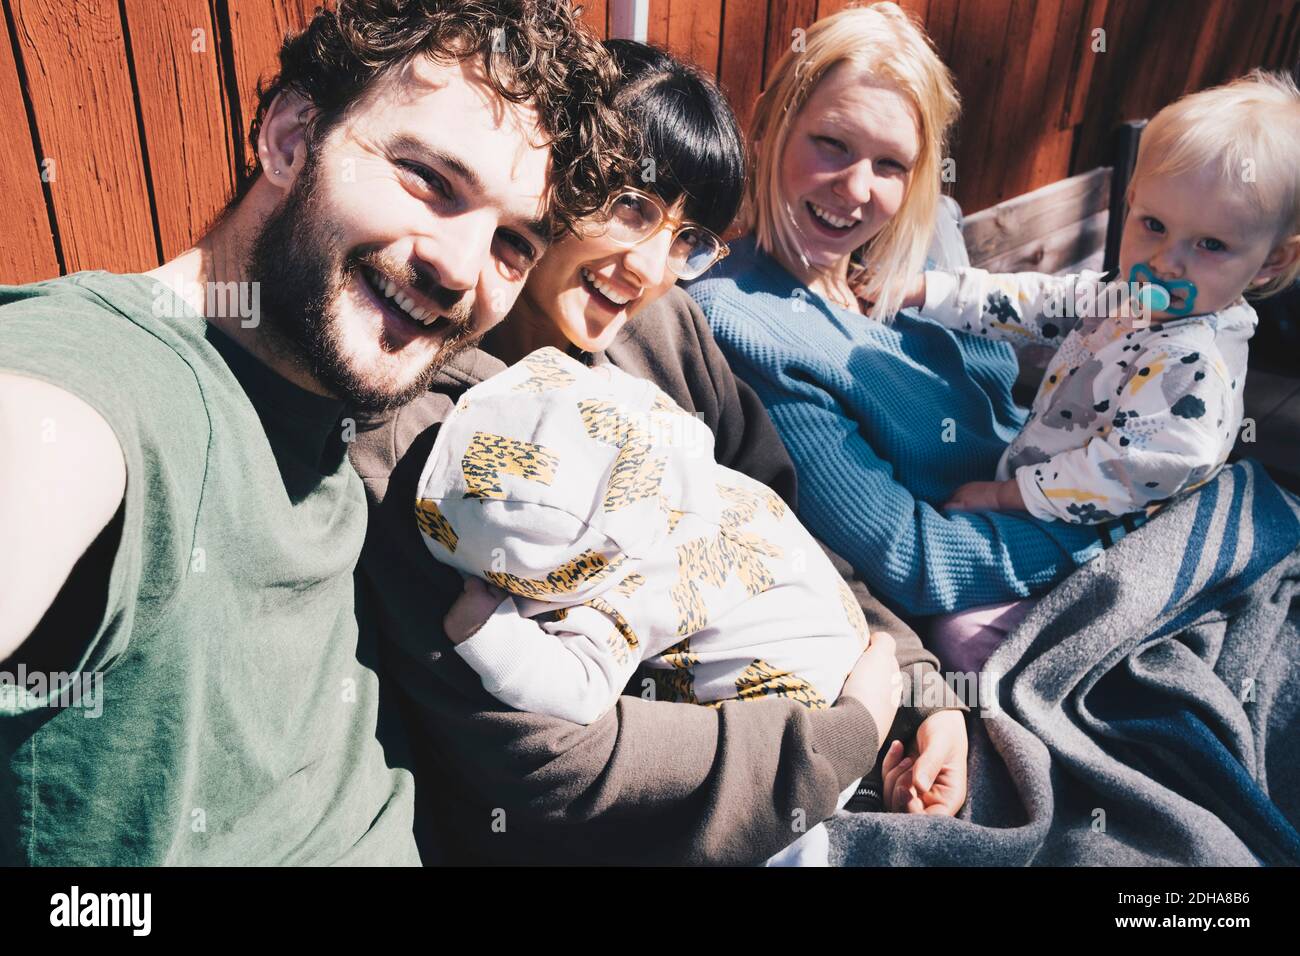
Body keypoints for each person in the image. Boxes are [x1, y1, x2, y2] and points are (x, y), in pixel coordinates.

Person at [0, 0, 626, 865]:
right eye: (429, 179)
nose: (461, 270)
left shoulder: (330, 390)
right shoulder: (94, 388)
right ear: (291, 138)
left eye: (513, 243)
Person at [350, 39, 969, 866]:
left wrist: (923, 695)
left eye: (687, 237)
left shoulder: (660, 330)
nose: (645, 268)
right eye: (630, 205)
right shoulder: (437, 441)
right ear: (558, 178)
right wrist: (839, 738)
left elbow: (781, 531)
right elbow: (549, 764)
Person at [687, 2, 1107, 624]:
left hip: (1074, 484)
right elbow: (915, 560)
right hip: (1014, 576)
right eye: (832, 144)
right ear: (771, 126)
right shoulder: (742, 321)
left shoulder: (928, 235)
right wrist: (1108, 523)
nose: (857, 190)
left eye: (891, 165)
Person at [895, 70, 1300, 670]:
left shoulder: (1194, 369)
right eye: (1154, 226)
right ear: (1130, 199)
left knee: (960, 633)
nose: (1167, 263)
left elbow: (1120, 478)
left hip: (1097, 539)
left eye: (1210, 245)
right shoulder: (1127, 296)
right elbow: (1036, 302)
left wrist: (1007, 495)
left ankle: (1041, 687)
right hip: (1048, 484)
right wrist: (927, 289)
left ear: (1272, 261)